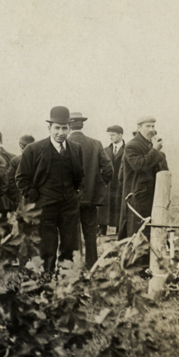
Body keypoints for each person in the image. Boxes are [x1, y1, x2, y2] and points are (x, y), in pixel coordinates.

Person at [16, 107, 85, 273]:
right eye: (57, 128)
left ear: (69, 128)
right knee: (47, 246)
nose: (61, 133)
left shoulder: (76, 148)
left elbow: (80, 175)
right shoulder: (33, 149)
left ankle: (66, 278)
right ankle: (46, 278)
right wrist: (35, 198)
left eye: (64, 128)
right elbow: (22, 178)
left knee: (69, 245)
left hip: (69, 206)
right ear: (49, 128)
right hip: (45, 206)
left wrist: (76, 195)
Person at [67, 112, 113, 267]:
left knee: (71, 233)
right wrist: (97, 185)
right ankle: (91, 264)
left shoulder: (63, 144)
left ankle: (74, 265)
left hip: (69, 198)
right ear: (82, 125)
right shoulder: (95, 144)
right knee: (90, 232)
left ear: (69, 125)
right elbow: (108, 169)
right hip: (90, 198)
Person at [119, 115, 168, 238]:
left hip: (153, 196)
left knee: (151, 230)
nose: (152, 129)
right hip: (137, 197)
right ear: (139, 128)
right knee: (137, 231)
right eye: (148, 126)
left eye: (153, 126)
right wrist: (155, 150)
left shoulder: (150, 145)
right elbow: (140, 166)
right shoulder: (132, 146)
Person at [98, 126, 125, 235]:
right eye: (109, 135)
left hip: (121, 185)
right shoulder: (105, 150)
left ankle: (120, 233)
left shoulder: (127, 150)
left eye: (113, 135)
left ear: (120, 135)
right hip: (107, 186)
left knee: (119, 209)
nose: (110, 137)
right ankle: (102, 232)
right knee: (104, 209)